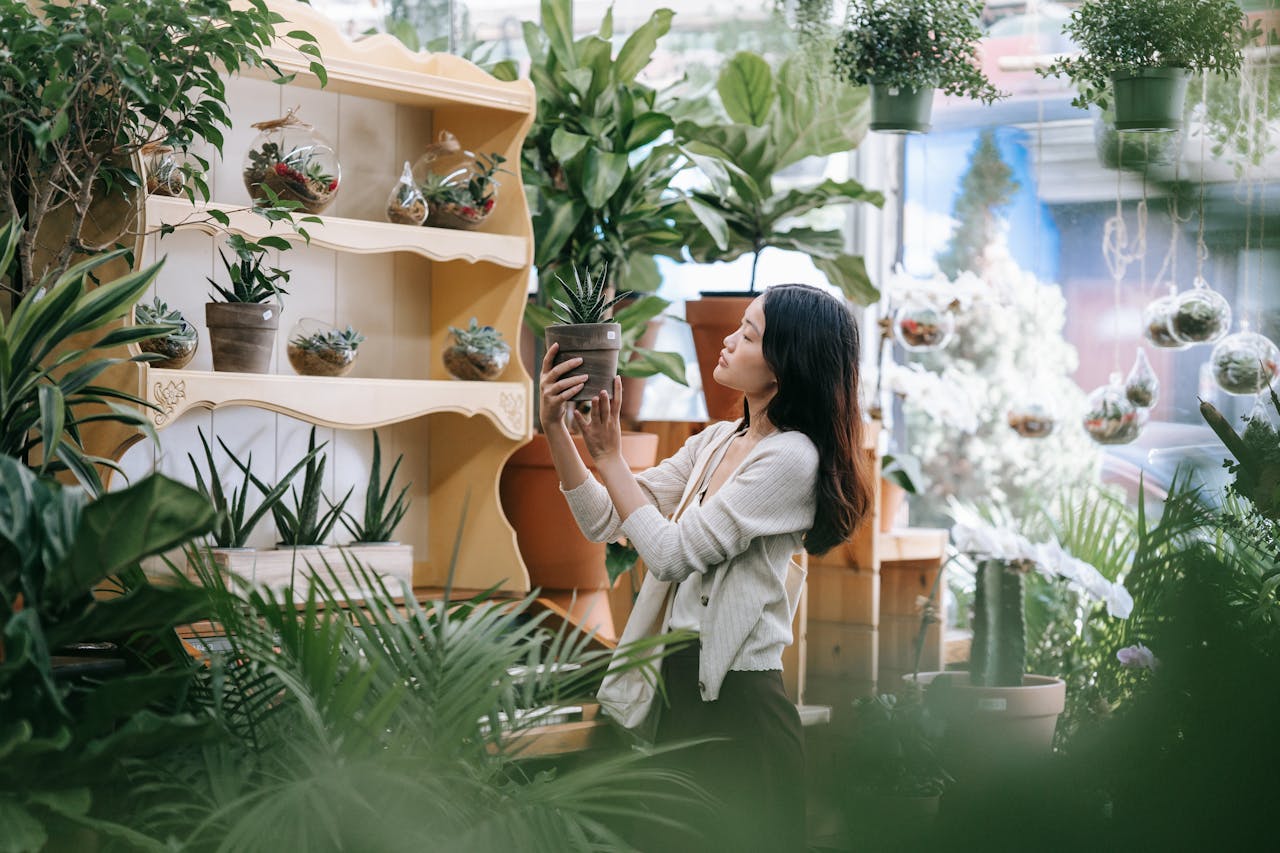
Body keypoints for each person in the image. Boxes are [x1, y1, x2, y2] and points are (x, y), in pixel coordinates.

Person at [539, 283, 874, 852]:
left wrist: (610, 456)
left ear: (786, 362)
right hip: (680, 697)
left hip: (741, 713)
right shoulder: (717, 441)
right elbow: (604, 519)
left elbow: (670, 555)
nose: (727, 340)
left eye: (748, 334)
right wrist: (557, 431)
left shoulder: (792, 458)